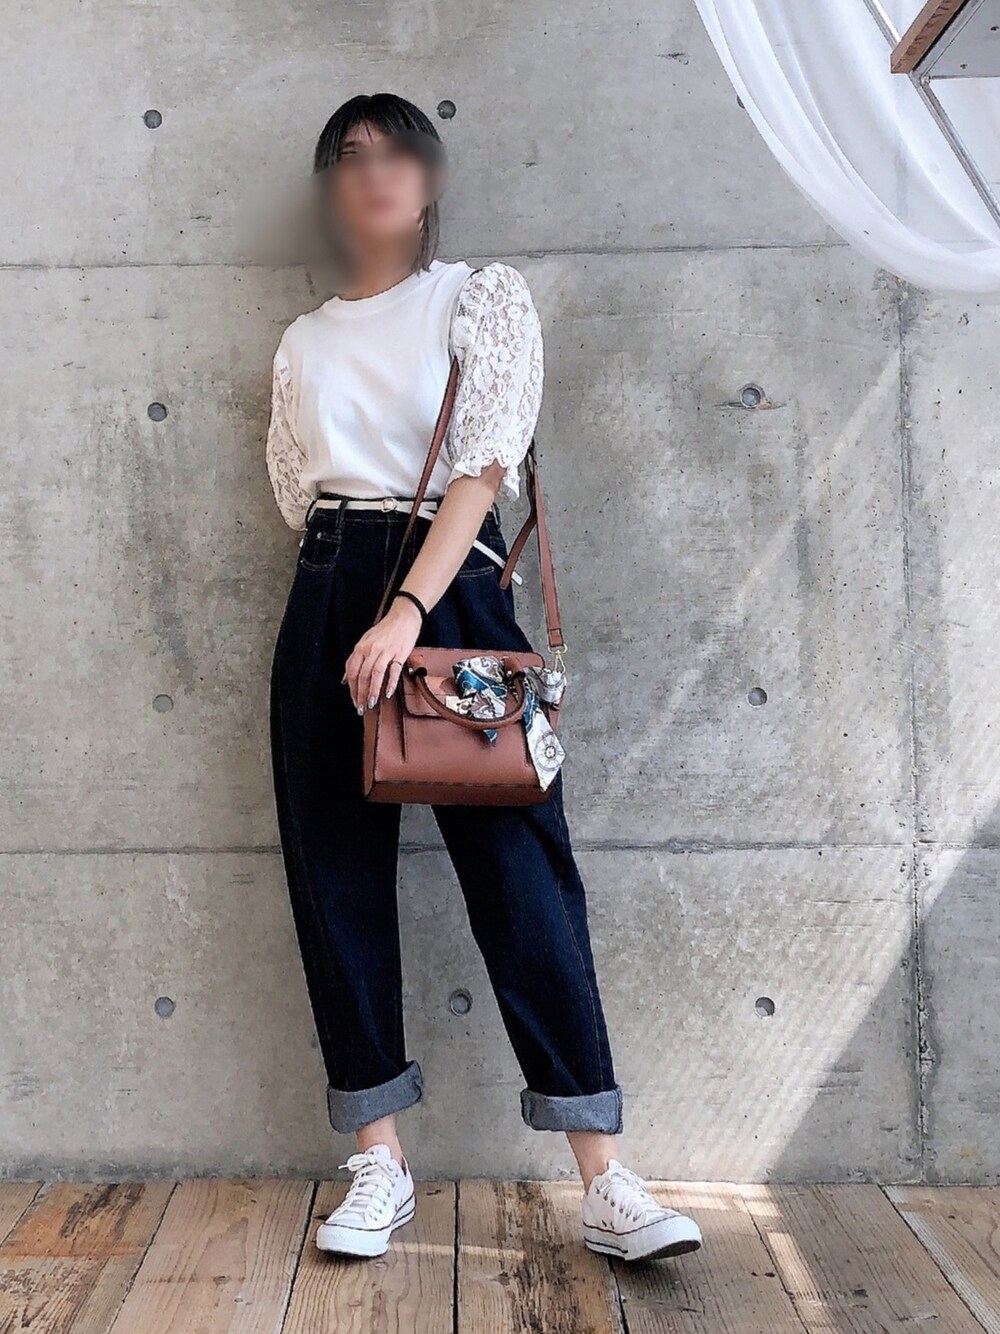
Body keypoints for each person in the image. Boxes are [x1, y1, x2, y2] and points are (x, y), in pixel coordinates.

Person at [265, 91, 703, 1263]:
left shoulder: (477, 296)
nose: (376, 172)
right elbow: (296, 487)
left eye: (398, 152)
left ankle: (603, 1175)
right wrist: (355, 596)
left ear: (431, 177)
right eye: (351, 155)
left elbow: (486, 463)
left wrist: (406, 606)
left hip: (447, 590)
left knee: (521, 873)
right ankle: (379, 1160)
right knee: (334, 876)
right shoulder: (303, 339)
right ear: (331, 186)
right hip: (328, 588)